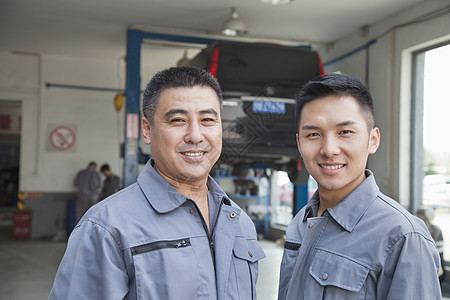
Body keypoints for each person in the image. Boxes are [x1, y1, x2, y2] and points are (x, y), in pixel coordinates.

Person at [49, 66, 265, 299]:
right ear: (147, 130)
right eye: (178, 120)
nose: (195, 135)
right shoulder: (107, 229)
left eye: (207, 120)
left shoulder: (239, 223)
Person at [278, 73, 441, 299]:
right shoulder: (302, 222)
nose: (329, 149)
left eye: (345, 132)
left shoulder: (403, 238)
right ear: (299, 143)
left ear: (372, 140)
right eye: (313, 134)